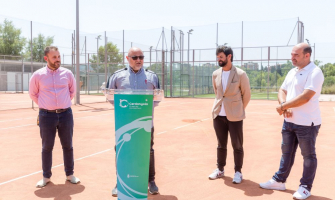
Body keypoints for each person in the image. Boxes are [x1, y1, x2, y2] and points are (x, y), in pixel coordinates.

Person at [259, 43, 324, 200]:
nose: (292, 57)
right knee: (286, 152)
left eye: (296, 54)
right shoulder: (292, 71)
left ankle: (305, 187)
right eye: (292, 54)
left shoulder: (315, 72)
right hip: (289, 121)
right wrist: (284, 106)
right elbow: (283, 90)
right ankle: (279, 180)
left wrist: (283, 106)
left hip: (307, 124)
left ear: (307, 55)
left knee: (308, 156)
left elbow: (306, 96)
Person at [107, 47, 160, 196]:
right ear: (127, 58)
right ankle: (120, 182)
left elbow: (156, 99)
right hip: (124, 123)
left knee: (148, 151)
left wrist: (142, 109)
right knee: (122, 150)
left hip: (146, 122)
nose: (138, 60)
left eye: (141, 57)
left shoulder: (152, 76)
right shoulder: (117, 76)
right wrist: (126, 110)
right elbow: (110, 96)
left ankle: (151, 181)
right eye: (135, 57)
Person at [29, 46, 80, 187]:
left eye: (58, 56)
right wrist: (46, 105)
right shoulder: (38, 75)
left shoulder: (68, 73)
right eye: (54, 57)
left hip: (66, 114)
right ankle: (46, 177)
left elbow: (72, 91)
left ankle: (70, 175)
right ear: (46, 58)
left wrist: (62, 105)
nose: (58, 59)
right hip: (46, 116)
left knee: (68, 146)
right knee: (47, 147)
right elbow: (33, 94)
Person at [208, 45, 251, 184]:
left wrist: (237, 109)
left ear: (229, 56)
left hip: (235, 116)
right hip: (218, 115)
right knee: (221, 144)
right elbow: (218, 93)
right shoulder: (215, 74)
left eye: (221, 57)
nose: (218, 60)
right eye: (217, 57)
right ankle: (220, 169)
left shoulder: (240, 74)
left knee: (237, 145)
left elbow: (247, 95)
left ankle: (238, 172)